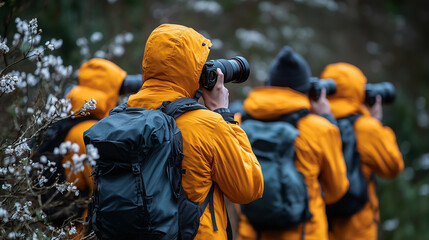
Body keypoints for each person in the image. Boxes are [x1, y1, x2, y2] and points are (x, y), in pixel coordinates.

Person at [126, 24, 264, 239]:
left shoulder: (119, 118)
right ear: (192, 71)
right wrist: (223, 114)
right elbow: (248, 188)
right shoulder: (207, 125)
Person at [236, 46, 349, 240]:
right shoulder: (320, 128)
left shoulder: (239, 123)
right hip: (304, 233)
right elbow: (336, 190)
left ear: (269, 84)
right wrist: (326, 117)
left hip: (253, 233)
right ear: (306, 89)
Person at [320, 62, 404, 240]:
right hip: (356, 229)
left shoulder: (313, 123)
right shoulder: (366, 128)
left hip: (318, 226)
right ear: (358, 90)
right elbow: (393, 166)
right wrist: (376, 122)